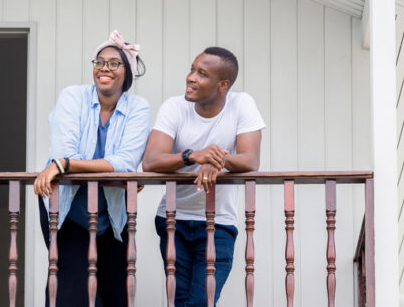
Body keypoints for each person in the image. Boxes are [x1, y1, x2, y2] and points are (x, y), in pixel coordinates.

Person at [32, 30, 151, 307]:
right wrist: (66, 162)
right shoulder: (72, 97)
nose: (104, 68)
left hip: (112, 214)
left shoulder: (138, 108)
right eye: (99, 62)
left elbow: (125, 163)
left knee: (115, 291)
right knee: (68, 285)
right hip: (66, 209)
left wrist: (65, 166)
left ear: (127, 73)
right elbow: (66, 151)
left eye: (113, 63)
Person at [142, 47, 265, 306]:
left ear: (223, 85)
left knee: (200, 301)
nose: (191, 77)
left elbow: (250, 160)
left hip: (218, 223)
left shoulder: (242, 103)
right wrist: (193, 156)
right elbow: (151, 160)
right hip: (172, 220)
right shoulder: (174, 107)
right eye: (192, 69)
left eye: (202, 74)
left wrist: (216, 160)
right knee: (182, 301)